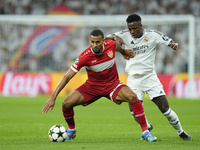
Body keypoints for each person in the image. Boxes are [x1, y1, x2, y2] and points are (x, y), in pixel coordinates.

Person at [42, 29, 157, 142]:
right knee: (66, 104)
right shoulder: (84, 57)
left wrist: (123, 52)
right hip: (92, 87)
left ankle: (145, 132)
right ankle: (72, 130)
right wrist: (53, 98)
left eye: (98, 42)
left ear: (103, 41)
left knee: (132, 97)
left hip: (112, 85)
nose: (95, 45)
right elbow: (67, 77)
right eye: (92, 42)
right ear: (89, 41)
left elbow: (116, 47)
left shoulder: (110, 44)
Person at [105, 14, 193, 140]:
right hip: (133, 80)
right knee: (134, 113)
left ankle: (181, 132)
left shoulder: (153, 35)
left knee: (165, 109)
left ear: (141, 26)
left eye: (135, 28)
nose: (132, 31)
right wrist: (114, 37)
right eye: (130, 29)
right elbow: (106, 37)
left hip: (149, 77)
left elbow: (169, 41)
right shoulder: (124, 34)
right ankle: (147, 127)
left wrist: (173, 44)